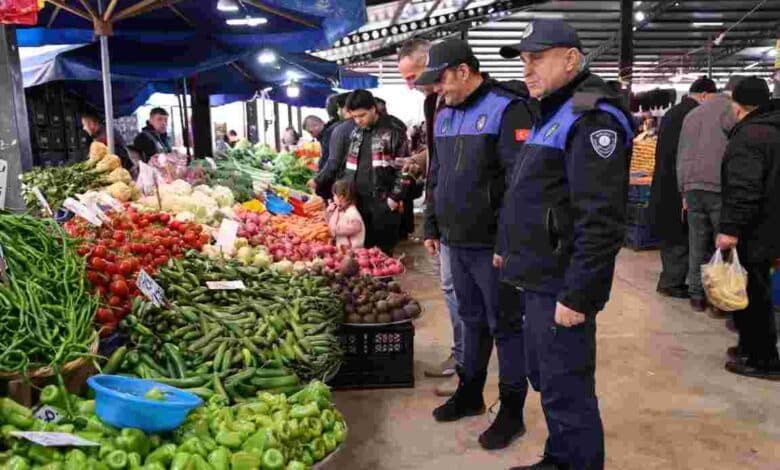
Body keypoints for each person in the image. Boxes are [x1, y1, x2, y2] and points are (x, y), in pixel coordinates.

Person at [498, 19, 634, 469]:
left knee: (568, 387)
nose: (527, 70)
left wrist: (579, 294)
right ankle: (559, 458)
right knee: (552, 382)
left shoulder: (593, 117)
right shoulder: (553, 111)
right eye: (523, 60)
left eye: (537, 58)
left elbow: (601, 220)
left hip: (561, 285)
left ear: (571, 59)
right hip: (539, 275)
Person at [415, 38, 535, 451]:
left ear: (463, 71)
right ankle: (470, 392)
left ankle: (512, 411)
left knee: (506, 326)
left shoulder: (506, 107)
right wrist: (431, 223)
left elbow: (520, 184)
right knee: (470, 320)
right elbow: (437, 174)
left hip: (492, 247)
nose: (437, 89)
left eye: (442, 80)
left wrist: (508, 240)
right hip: (455, 241)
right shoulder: (444, 114)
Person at [397, 38, 461, 396]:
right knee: (452, 291)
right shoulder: (432, 102)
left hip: (471, 220)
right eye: (404, 78)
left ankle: (469, 365)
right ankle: (462, 356)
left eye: (414, 74)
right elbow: (440, 155)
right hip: (445, 212)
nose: (410, 84)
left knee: (466, 296)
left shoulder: (464, 101)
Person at [716, 77, 780, 380]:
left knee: (753, 294)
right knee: (755, 290)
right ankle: (749, 346)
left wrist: (729, 229)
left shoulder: (750, 136)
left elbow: (744, 187)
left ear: (739, 105)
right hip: (771, 223)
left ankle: (763, 359)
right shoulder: (773, 128)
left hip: (755, 228)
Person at [677, 75, 743, 312]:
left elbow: (681, 154)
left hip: (692, 187)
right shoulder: (730, 110)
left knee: (697, 243)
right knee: (722, 245)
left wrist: (683, 189)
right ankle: (719, 301)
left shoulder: (692, 115)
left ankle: (696, 296)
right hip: (718, 186)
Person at [318, 89, 409, 254]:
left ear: (374, 109)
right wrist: (340, 195)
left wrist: (394, 198)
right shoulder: (356, 132)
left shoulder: (394, 131)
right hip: (357, 203)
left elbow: (405, 169)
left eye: (362, 115)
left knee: (381, 254)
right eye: (354, 117)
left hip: (382, 204)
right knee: (358, 253)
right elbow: (348, 168)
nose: (358, 121)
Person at [650, 78, 717, 300]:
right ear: (706, 95)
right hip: (679, 183)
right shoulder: (692, 115)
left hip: (664, 180)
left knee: (672, 233)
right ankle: (671, 282)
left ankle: (671, 279)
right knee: (678, 235)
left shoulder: (674, 112)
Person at [325, 179, 365, 250]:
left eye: (334, 195)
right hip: (343, 252)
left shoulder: (353, 215)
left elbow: (334, 231)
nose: (333, 198)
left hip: (352, 255)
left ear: (341, 197)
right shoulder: (343, 210)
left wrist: (330, 213)